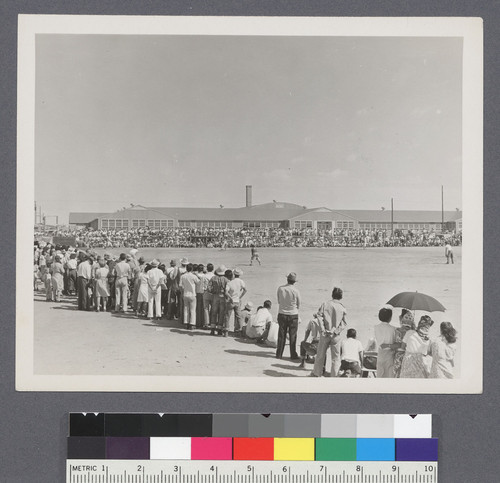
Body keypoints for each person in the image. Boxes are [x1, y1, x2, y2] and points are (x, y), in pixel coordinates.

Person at [311, 287, 347, 377]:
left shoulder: (325, 304)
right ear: (341, 297)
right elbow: (344, 323)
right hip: (335, 335)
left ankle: (317, 374)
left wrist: (323, 329)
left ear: (332, 295)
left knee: (320, 355)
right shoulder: (342, 308)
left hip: (325, 333)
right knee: (335, 358)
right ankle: (334, 376)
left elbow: (319, 317)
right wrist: (335, 331)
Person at [276, 272, 300, 360]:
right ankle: (293, 354)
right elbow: (298, 304)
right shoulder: (296, 291)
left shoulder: (280, 288)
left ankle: (279, 354)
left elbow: (279, 300)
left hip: (282, 313)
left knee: (281, 334)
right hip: (293, 314)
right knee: (293, 335)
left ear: (287, 279)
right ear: (294, 282)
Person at [393, 309, 415, 378]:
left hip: (400, 357)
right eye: (406, 318)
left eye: (410, 318)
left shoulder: (397, 331)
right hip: (408, 358)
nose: (408, 320)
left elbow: (396, 345)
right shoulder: (413, 332)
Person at [374, 306, 396, 378]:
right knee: (389, 374)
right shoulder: (393, 329)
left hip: (380, 352)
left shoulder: (376, 327)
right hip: (390, 353)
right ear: (390, 318)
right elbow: (394, 341)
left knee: (380, 373)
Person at [225, 267, 247, 335]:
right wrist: (240, 297)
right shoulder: (241, 281)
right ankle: (239, 330)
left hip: (231, 301)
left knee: (227, 316)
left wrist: (230, 298)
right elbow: (245, 290)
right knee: (238, 316)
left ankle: (226, 331)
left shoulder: (230, 282)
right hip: (237, 301)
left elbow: (226, 292)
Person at [208, 265, 228, 336]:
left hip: (215, 296)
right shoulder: (225, 279)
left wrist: (212, 291)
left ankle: (212, 329)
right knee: (221, 313)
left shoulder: (213, 278)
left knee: (214, 312)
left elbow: (209, 287)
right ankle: (219, 329)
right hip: (222, 296)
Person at [180, 263, 200, 329]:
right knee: (192, 310)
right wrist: (198, 275)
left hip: (185, 294)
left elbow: (180, 286)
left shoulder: (182, 276)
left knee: (186, 309)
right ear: (191, 269)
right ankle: (192, 324)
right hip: (192, 294)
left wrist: (182, 291)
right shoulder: (193, 276)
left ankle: (186, 322)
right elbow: (199, 282)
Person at [202, 263, 215, 328]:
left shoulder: (204, 276)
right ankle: (213, 322)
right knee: (213, 308)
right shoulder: (214, 276)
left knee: (206, 308)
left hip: (206, 292)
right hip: (213, 293)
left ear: (207, 268)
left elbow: (202, 287)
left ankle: (206, 323)